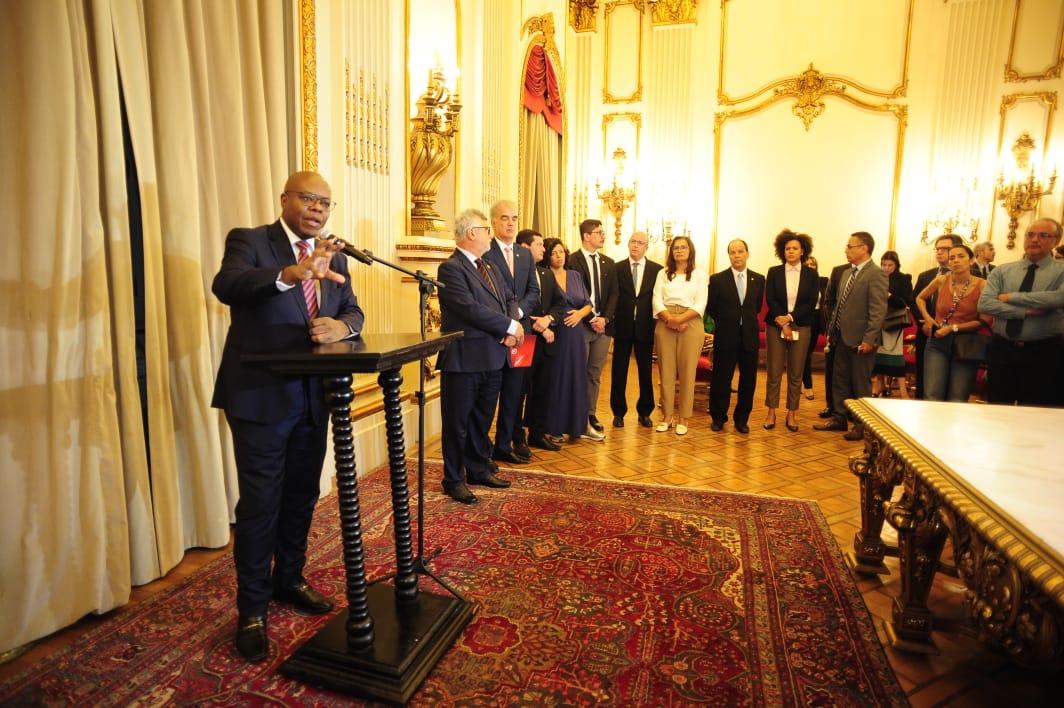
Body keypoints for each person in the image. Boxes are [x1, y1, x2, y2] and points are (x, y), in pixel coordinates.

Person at [212, 171, 365, 663]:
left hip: (313, 397)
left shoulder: (334, 255)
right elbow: (227, 285)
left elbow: (355, 312)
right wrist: (290, 275)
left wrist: (340, 325)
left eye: (326, 202)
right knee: (260, 503)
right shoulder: (252, 241)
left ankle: (290, 579)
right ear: (285, 200)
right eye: (308, 198)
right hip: (260, 398)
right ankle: (252, 610)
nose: (318, 208)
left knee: (302, 493)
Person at [436, 209, 523, 505]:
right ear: (472, 232)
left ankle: (476, 468)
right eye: (486, 228)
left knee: (481, 420)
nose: (490, 233)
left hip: (494, 355)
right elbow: (468, 308)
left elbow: (510, 299)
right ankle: (453, 479)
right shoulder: (451, 268)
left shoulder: (490, 266)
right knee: (457, 422)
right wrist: (509, 326)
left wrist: (512, 327)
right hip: (464, 359)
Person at [977, 218, 1064, 406]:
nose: (1034, 240)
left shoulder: (1061, 271)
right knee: (997, 411)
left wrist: (1012, 297)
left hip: (1043, 352)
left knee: (1036, 412)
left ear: (1056, 241)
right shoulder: (1002, 271)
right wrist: (1025, 312)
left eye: (1043, 235)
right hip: (1002, 350)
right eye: (1030, 234)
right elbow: (985, 304)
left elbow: (1058, 299)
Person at [813, 231, 888, 441]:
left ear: (864, 248)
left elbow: (878, 310)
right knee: (839, 379)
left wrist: (869, 339)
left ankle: (861, 425)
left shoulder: (876, 274)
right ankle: (839, 418)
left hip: (860, 340)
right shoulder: (847, 273)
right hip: (840, 337)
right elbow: (838, 306)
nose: (846, 250)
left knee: (860, 383)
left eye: (850, 246)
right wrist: (830, 332)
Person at [482, 200, 540, 465]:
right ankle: (483, 448)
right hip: (495, 333)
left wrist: (517, 317)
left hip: (522, 333)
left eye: (514, 218)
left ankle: (504, 445)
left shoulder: (524, 254)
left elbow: (533, 292)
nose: (511, 223)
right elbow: (485, 294)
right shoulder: (485, 252)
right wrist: (506, 321)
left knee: (515, 392)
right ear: (493, 223)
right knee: (490, 393)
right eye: (505, 218)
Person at [543, 237, 601, 441]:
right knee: (557, 378)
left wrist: (579, 315)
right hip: (556, 332)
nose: (558, 256)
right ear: (547, 256)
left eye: (561, 252)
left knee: (577, 377)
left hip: (576, 332)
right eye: (554, 252)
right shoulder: (544, 275)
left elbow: (588, 304)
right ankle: (554, 428)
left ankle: (580, 425)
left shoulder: (575, 275)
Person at [914, 245, 990, 402]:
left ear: (972, 260)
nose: (956, 260)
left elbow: (984, 320)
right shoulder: (942, 280)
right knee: (932, 394)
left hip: (966, 344)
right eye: (952, 258)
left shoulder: (982, 285)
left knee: (957, 397)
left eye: (961, 256)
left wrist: (953, 328)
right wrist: (928, 318)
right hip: (937, 342)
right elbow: (920, 298)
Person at [762, 230, 819, 432]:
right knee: (774, 372)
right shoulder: (774, 271)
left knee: (796, 373)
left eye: (795, 248)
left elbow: (810, 302)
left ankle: (792, 414)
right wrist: (784, 323)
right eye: (787, 248)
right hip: (775, 325)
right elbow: (771, 299)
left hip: (801, 325)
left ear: (802, 251)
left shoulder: (812, 274)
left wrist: (791, 318)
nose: (791, 251)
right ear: (782, 251)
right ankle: (771, 412)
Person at [707, 239, 764, 434]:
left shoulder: (759, 279)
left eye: (740, 251)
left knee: (748, 380)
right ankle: (718, 417)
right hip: (726, 335)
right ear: (729, 255)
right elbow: (712, 308)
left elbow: (755, 307)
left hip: (749, 337)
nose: (737, 255)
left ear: (747, 253)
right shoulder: (717, 279)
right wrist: (729, 321)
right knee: (721, 378)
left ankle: (742, 419)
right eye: (732, 252)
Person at [652, 236, 708, 435]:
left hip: (690, 323)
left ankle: (684, 417)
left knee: (687, 372)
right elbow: (656, 299)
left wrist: (681, 319)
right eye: (675, 248)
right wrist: (670, 320)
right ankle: (667, 417)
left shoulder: (700, 275)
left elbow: (701, 302)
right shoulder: (662, 274)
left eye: (683, 247)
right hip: (665, 320)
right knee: (666, 371)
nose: (679, 250)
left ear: (690, 250)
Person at [517, 229, 566, 451]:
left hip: (546, 344)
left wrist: (548, 319)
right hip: (524, 340)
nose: (544, 250)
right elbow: (516, 307)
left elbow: (559, 303)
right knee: (518, 391)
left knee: (542, 388)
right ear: (525, 247)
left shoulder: (546, 274)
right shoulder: (514, 274)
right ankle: (515, 437)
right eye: (539, 245)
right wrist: (539, 326)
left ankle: (537, 433)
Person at [568, 219, 618, 434]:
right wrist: (591, 319)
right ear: (586, 236)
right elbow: (571, 295)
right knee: (577, 372)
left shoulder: (608, 262)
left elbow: (614, 293)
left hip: (603, 327)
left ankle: (590, 413)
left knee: (594, 373)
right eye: (598, 232)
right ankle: (573, 415)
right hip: (582, 325)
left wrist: (604, 319)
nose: (603, 236)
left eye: (603, 232)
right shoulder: (571, 261)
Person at [609, 231, 663, 428]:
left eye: (640, 243)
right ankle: (618, 412)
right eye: (633, 241)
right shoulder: (617, 268)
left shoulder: (657, 270)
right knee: (619, 370)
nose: (636, 246)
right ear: (628, 244)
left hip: (645, 326)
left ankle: (645, 412)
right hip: (622, 326)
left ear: (646, 247)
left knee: (646, 371)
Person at [913, 234, 962, 398]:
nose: (939, 252)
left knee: (951, 387)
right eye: (937, 249)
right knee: (924, 382)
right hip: (926, 333)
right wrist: (925, 321)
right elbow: (916, 301)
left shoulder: (970, 277)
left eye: (945, 249)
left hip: (955, 336)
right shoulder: (926, 275)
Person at [871, 251, 914, 399]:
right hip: (877, 320)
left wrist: (890, 296)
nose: (886, 268)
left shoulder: (903, 279)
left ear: (896, 265)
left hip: (894, 322)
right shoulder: (876, 277)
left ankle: (902, 390)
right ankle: (879, 385)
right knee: (878, 354)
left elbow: (906, 302)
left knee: (894, 355)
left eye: (890, 265)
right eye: (883, 264)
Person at [801, 255, 825, 402]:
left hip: (815, 320)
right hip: (801, 319)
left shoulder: (823, 281)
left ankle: (799, 384)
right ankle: (807, 386)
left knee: (806, 354)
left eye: (813, 264)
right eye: (807, 264)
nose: (810, 266)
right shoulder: (798, 282)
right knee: (802, 355)